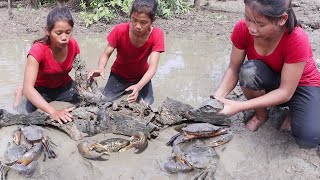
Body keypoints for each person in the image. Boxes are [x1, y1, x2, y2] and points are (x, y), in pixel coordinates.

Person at [213, 0, 320, 148]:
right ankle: (261, 115)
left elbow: (285, 92)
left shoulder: (297, 38)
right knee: (248, 71)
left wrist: (240, 106)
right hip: (272, 81)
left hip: (301, 87)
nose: (251, 28)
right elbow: (233, 68)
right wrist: (219, 96)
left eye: (260, 24)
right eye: (248, 18)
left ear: (282, 19)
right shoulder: (242, 29)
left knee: (309, 139)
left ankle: (296, 110)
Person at [88, 0, 165, 106]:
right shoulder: (119, 30)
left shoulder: (157, 34)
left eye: (143, 22)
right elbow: (106, 54)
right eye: (134, 20)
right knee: (106, 102)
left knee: (147, 104)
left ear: (153, 21)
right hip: (118, 75)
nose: (137, 26)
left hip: (141, 76)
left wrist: (138, 86)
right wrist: (101, 68)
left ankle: (135, 88)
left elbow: (152, 67)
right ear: (130, 17)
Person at [13, 6, 80, 124]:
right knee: (23, 113)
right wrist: (53, 112)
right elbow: (29, 89)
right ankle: (19, 92)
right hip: (41, 90)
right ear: (48, 31)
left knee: (85, 104)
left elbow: (80, 69)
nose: (64, 37)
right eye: (58, 33)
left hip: (64, 87)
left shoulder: (73, 45)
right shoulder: (37, 50)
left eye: (68, 32)